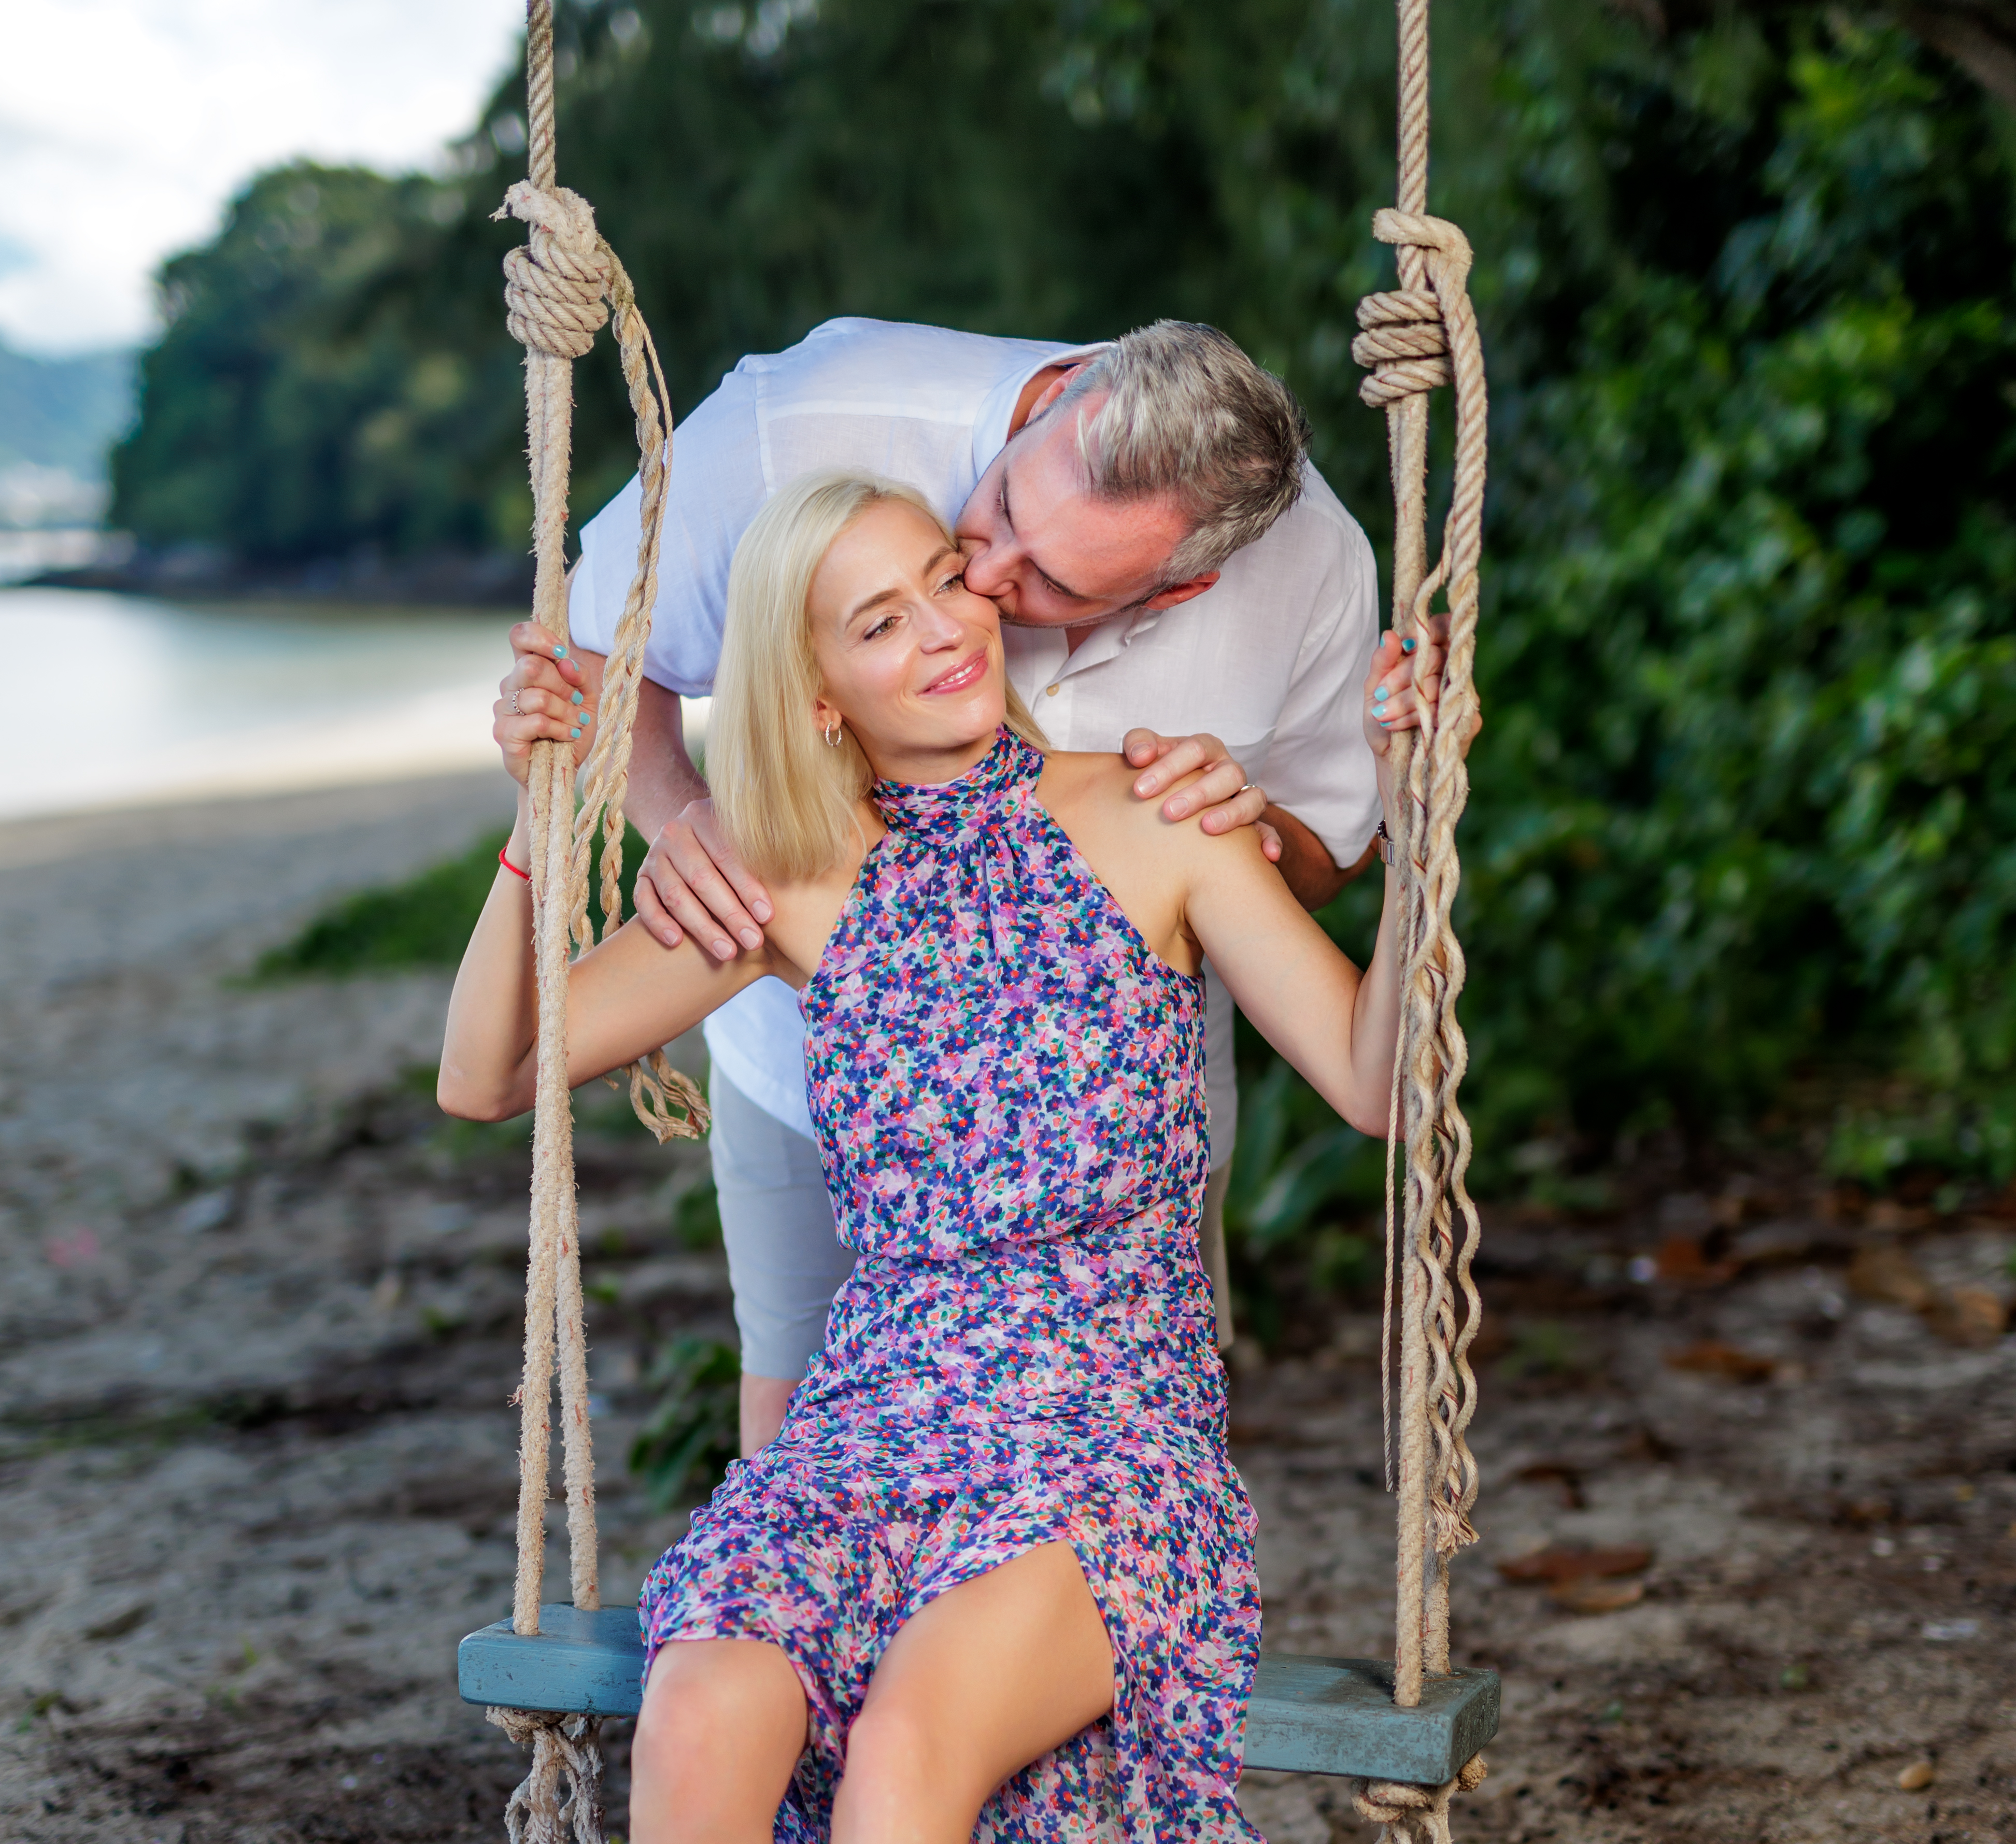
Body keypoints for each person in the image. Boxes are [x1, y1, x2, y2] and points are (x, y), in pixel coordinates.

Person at [441, 470, 1417, 1844]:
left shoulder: (1157, 813)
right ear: (817, 690)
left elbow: (1371, 1075)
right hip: (868, 1432)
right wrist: (540, 820)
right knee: (702, 1714)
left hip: (1099, 1439)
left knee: (905, 1745)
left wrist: (1419, 823)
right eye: (873, 620)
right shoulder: (792, 872)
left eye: (942, 582)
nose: (944, 627)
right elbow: (493, 1072)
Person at [497, 317, 1424, 1455]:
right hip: (807, 1055)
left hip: (1118, 1108)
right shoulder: (799, 424)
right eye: (1000, 509)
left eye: (1053, 580)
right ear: (1069, 388)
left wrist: (1242, 829)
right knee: (797, 1432)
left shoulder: (1307, 569)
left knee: (1129, 1421)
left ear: (1179, 589)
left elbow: (1333, 852)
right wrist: (683, 817)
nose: (981, 584)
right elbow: (590, 639)